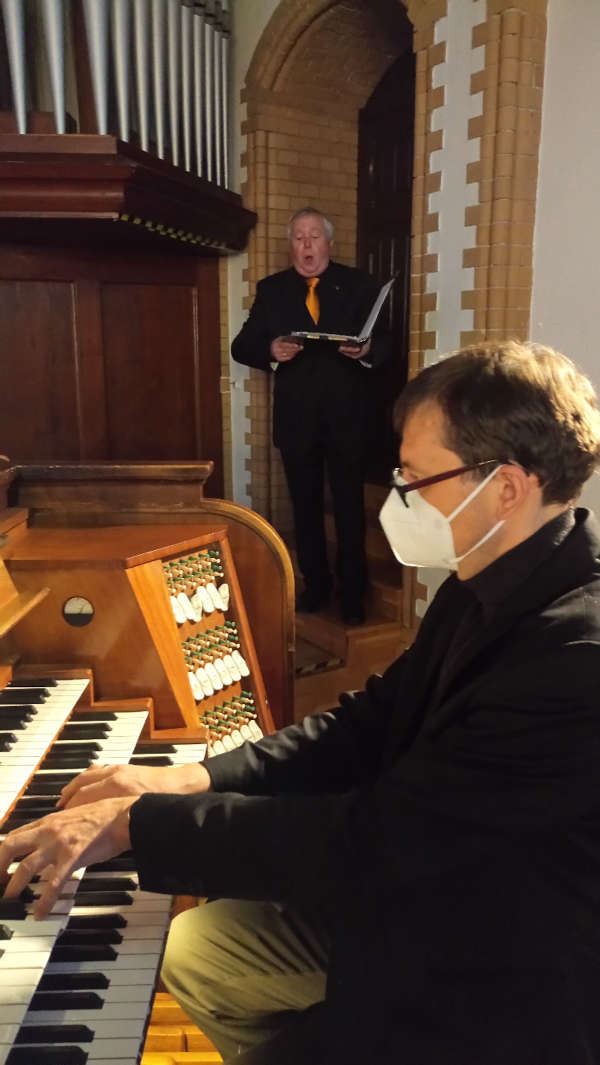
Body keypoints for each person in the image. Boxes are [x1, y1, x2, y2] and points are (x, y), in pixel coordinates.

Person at [2, 340, 600, 1065]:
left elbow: (371, 840)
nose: (398, 494)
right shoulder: (485, 581)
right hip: (429, 880)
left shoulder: (574, 660)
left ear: (506, 486)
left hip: (500, 964)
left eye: (414, 476)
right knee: (202, 950)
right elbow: (367, 722)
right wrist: (187, 777)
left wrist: (139, 825)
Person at [231, 206, 391, 625]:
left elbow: (389, 342)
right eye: (299, 237)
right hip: (297, 422)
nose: (306, 244)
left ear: (328, 243)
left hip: (347, 421)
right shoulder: (272, 290)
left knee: (350, 509)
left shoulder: (358, 285)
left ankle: (353, 595)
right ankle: (316, 586)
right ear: (291, 246)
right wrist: (270, 350)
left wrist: (368, 350)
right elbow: (241, 345)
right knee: (304, 508)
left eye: (314, 236)